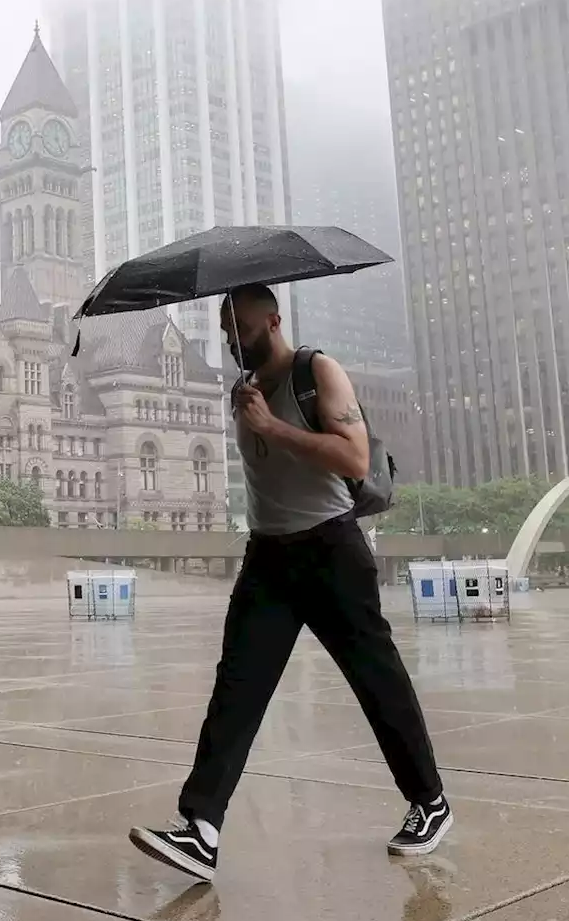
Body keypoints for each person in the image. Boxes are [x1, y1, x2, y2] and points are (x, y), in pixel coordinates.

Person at [129, 284, 451, 882]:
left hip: (331, 549)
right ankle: (201, 830)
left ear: (273, 321)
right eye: (227, 333)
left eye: (243, 329)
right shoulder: (244, 390)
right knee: (237, 689)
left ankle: (430, 802)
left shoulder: (316, 371)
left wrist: (270, 427)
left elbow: (354, 459)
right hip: (267, 556)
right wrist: (251, 414)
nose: (234, 342)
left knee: (375, 681)